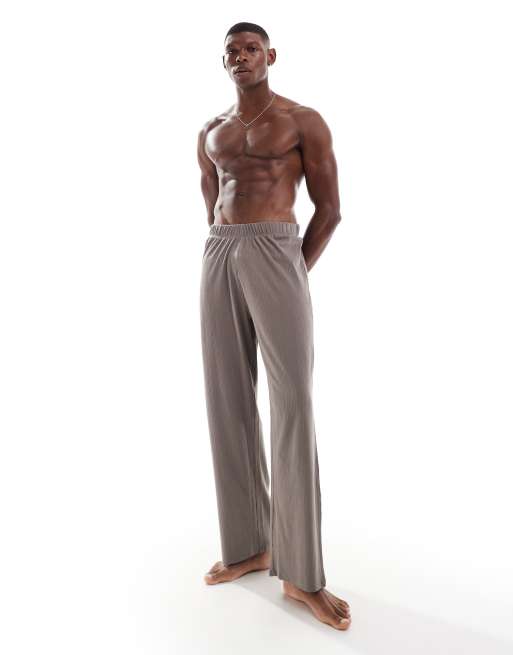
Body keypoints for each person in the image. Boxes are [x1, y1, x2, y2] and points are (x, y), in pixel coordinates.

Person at [197, 21, 350, 631]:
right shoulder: (211, 130)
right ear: (224, 61)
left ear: (271, 55)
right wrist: (227, 251)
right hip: (219, 252)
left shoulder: (301, 120)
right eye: (231, 51)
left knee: (293, 403)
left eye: (251, 48)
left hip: (277, 249)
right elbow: (210, 200)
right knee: (226, 395)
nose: (241, 56)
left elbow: (330, 210)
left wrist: (292, 269)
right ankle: (248, 546)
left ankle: (302, 575)